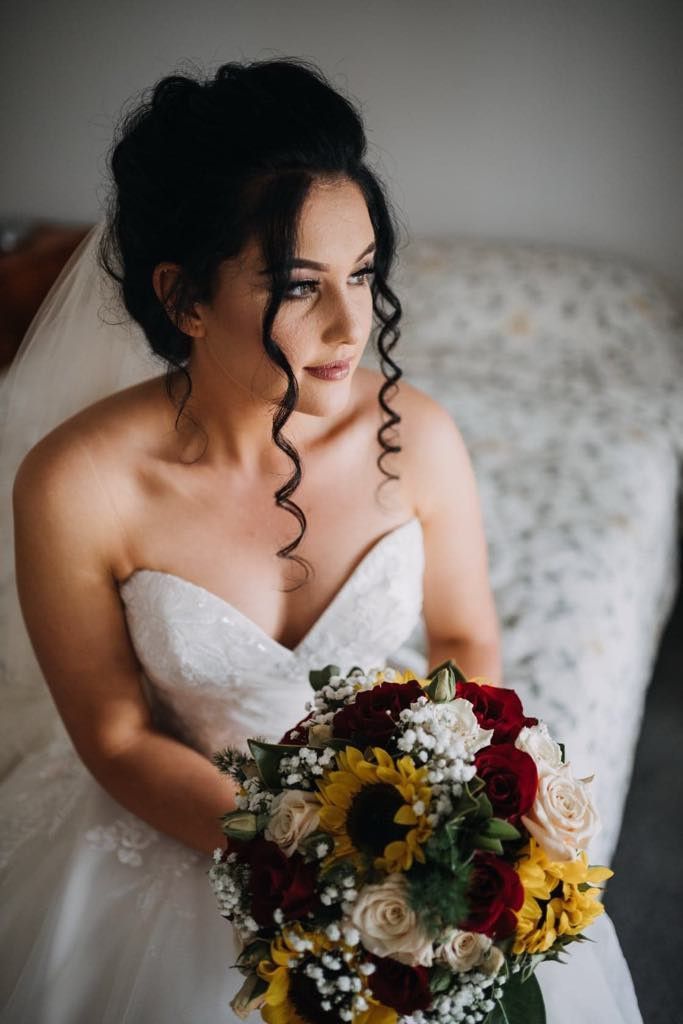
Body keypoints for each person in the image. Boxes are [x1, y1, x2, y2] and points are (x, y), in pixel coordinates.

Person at [0, 59, 640, 1024]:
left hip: (390, 805)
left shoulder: (416, 435)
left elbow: (464, 638)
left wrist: (430, 825)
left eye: (364, 273)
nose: (351, 329)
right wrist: (300, 858)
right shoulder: (73, 483)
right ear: (183, 299)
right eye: (301, 287)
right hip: (172, 808)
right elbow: (116, 733)